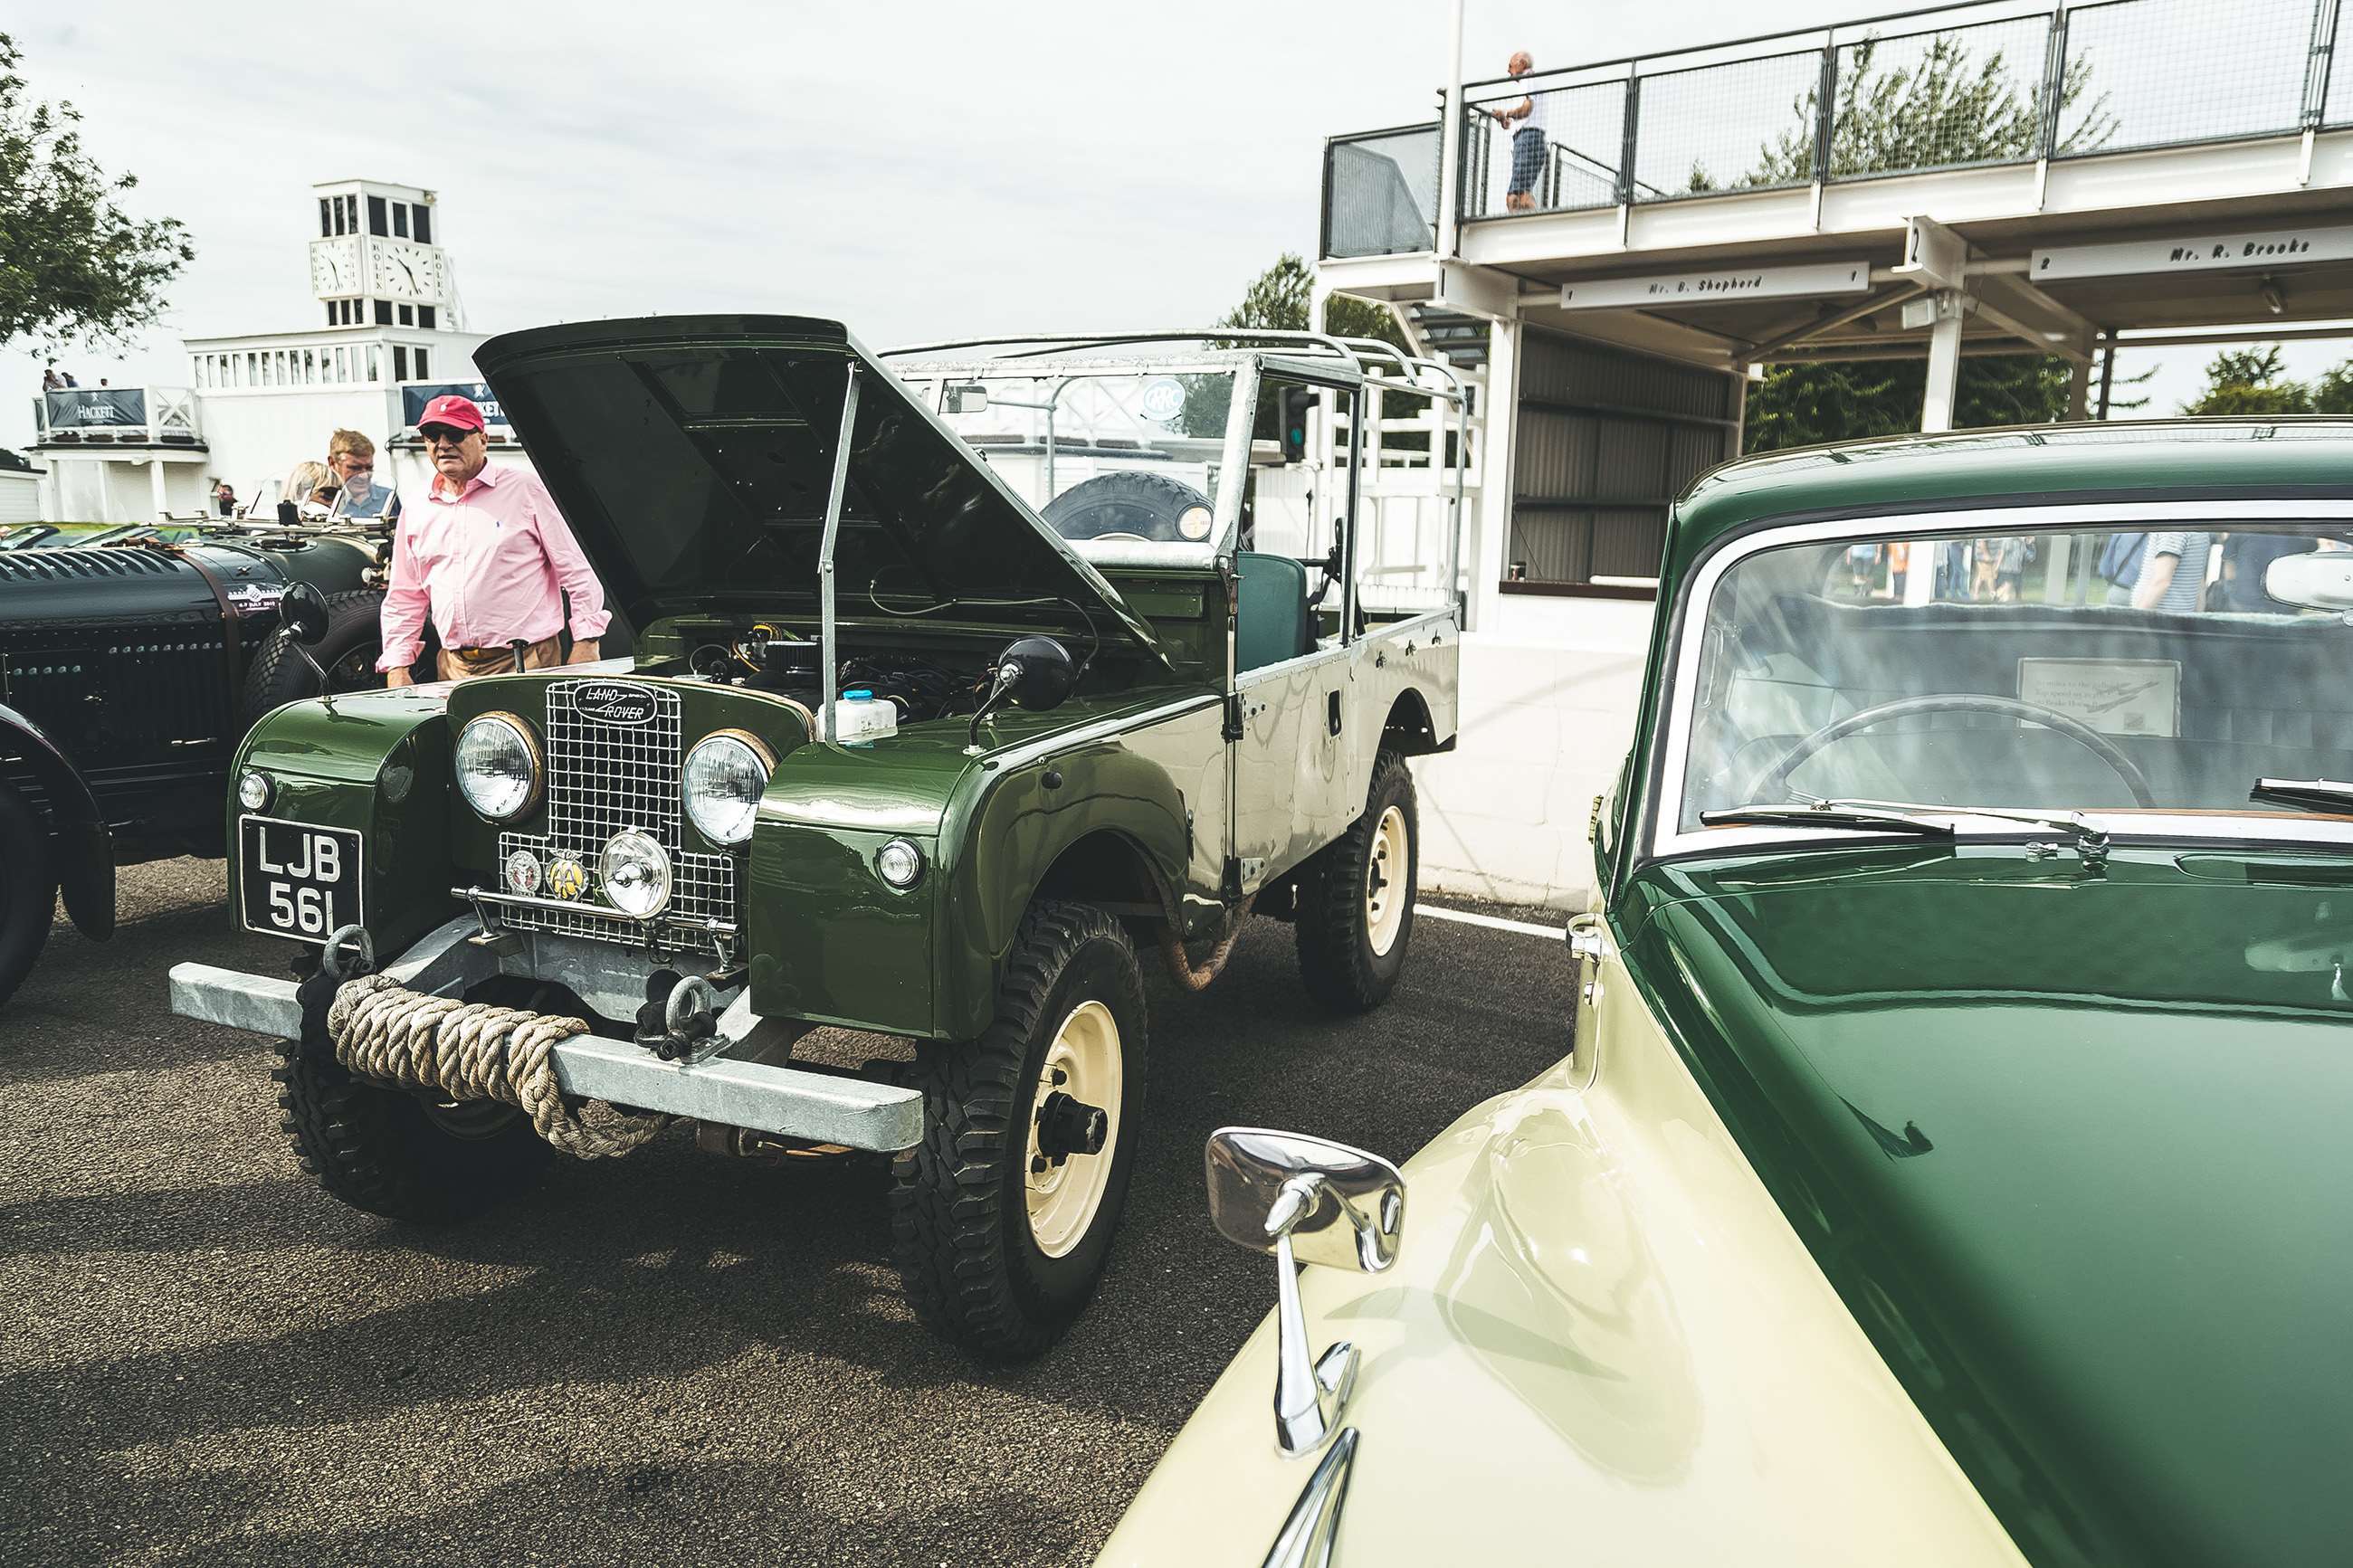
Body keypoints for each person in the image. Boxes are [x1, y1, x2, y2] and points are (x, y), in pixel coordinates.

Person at [378, 394, 608, 686]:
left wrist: (587, 643)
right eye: (432, 434)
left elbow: (576, 569)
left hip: (528, 662)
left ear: (483, 440)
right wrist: (397, 666)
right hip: (453, 667)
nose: (443, 443)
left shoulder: (526, 490)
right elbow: (404, 596)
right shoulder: (417, 508)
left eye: (456, 433)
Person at [1489, 52, 1548, 214]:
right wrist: (1505, 119)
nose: (1508, 71)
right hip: (1534, 139)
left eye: (1510, 65)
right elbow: (1524, 115)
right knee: (1522, 194)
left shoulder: (1528, 79)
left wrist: (1506, 113)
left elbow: (1527, 109)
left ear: (1522, 64)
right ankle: (1536, 222)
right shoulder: (1533, 81)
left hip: (1527, 139)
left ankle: (1519, 227)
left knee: (1514, 197)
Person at [319, 428, 396, 519]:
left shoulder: (388, 498)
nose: (364, 476)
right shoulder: (322, 501)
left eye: (369, 468)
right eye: (355, 468)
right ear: (332, 463)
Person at [2131, 530, 2215, 613]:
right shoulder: (2201, 532)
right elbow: (2199, 584)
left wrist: (2135, 617)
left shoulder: (2172, 531)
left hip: (2157, 617)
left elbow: (2161, 582)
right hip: (2181, 617)